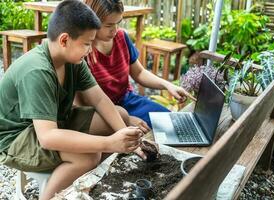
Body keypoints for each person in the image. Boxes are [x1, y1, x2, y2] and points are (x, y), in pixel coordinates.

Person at [0, 1, 146, 199]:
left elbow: (100, 100)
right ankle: (51, 196)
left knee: (120, 114)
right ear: (64, 40)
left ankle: (88, 181)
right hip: (17, 137)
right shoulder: (37, 71)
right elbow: (48, 137)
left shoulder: (73, 60)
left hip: (52, 121)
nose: (90, 50)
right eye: (87, 44)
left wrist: (127, 138)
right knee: (87, 157)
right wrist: (110, 143)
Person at [80, 0, 195, 127]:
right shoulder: (83, 51)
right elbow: (84, 103)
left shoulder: (121, 37)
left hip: (128, 100)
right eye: (109, 25)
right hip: (101, 113)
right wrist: (127, 120)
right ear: (91, 20)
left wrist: (168, 85)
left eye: (118, 23)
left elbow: (139, 73)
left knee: (176, 123)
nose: (115, 30)